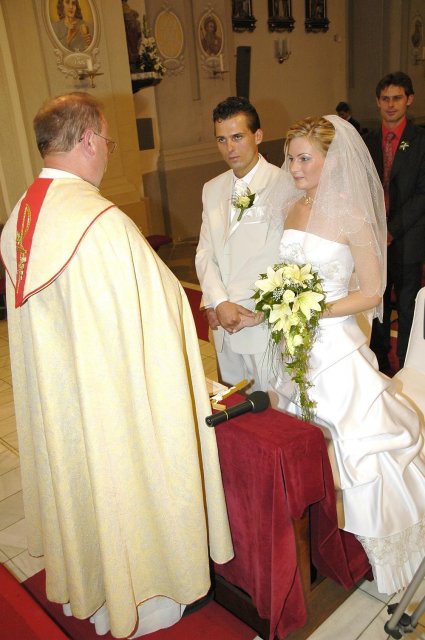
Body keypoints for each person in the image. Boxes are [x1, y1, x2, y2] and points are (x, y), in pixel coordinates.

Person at [0, 92, 233, 638]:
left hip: (63, 402)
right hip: (108, 401)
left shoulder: (20, 217)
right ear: (86, 141)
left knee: (83, 482)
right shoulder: (99, 223)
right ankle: (148, 593)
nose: (108, 151)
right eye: (107, 141)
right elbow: (162, 312)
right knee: (123, 478)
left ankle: (95, 587)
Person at [265, 114, 425, 594]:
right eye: (290, 158)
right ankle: (326, 541)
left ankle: (386, 550)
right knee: (304, 437)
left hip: (334, 343)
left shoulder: (352, 214)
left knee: (358, 444)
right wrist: (282, 307)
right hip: (298, 344)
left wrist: (314, 309)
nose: (294, 168)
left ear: (331, 161)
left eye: (304, 158)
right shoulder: (291, 209)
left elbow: (372, 292)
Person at [195, 96, 290, 392]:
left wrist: (248, 311)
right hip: (224, 325)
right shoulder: (212, 189)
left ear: (257, 136)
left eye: (237, 137)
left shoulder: (285, 185)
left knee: (274, 410)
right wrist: (216, 301)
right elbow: (205, 252)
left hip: (261, 324)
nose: (230, 148)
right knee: (235, 407)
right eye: (221, 139)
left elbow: (287, 260)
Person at [364, 71, 425, 373]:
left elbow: (423, 193)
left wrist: (392, 230)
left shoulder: (421, 140)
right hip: (373, 239)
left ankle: (406, 366)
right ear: (377, 101)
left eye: (397, 98)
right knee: (377, 304)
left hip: (408, 237)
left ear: (409, 100)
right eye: (385, 99)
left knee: (407, 306)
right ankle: (378, 363)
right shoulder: (367, 142)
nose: (390, 105)